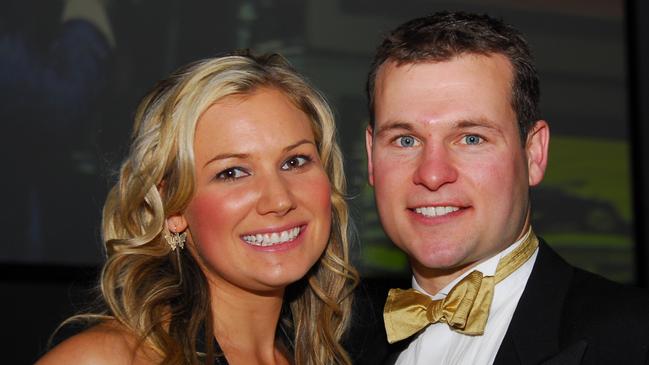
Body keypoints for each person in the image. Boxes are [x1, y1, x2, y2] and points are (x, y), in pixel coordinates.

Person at [363, 11, 649, 364]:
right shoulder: (335, 343)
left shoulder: (633, 338)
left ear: (533, 154)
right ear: (371, 157)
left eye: (470, 138)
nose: (432, 174)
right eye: (405, 140)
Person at [36, 52, 358, 364]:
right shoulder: (105, 360)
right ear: (171, 208)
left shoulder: (317, 356)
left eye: (294, 161)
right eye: (232, 172)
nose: (279, 200)